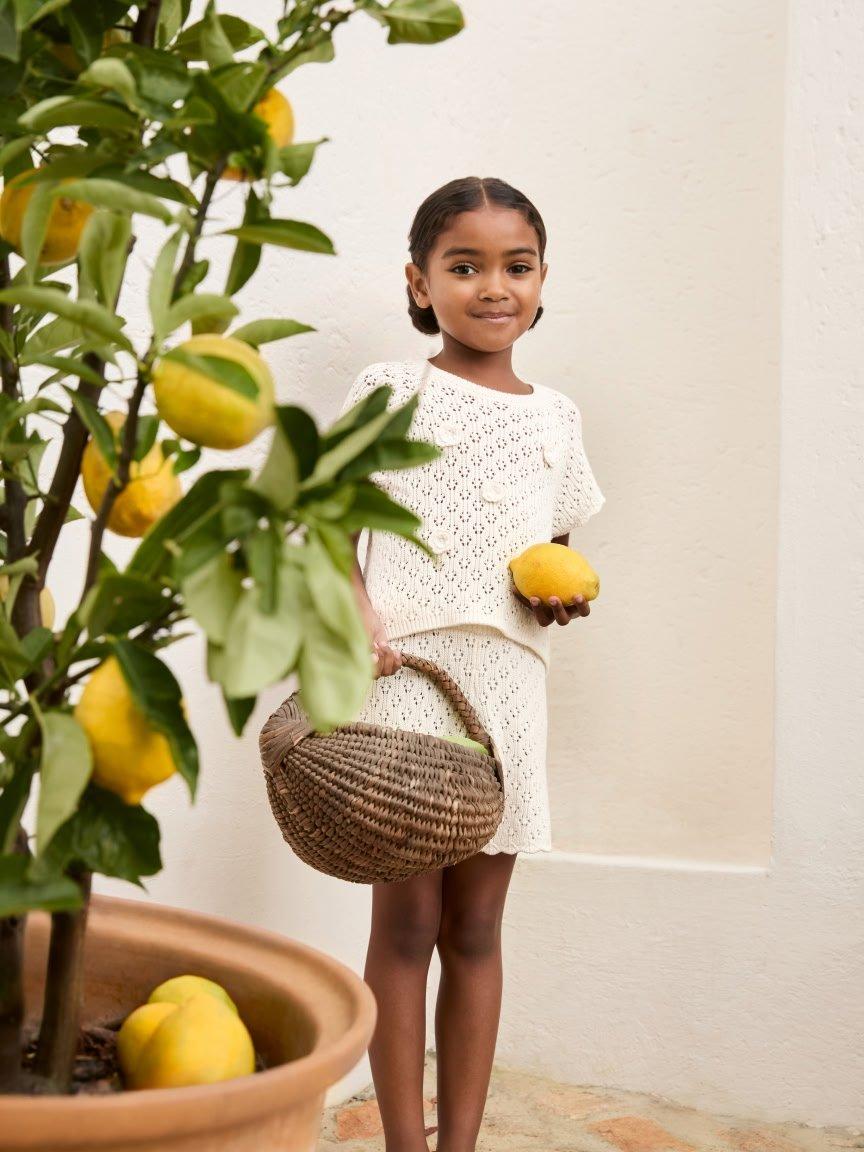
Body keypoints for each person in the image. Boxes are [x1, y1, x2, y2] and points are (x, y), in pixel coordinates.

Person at [335, 175, 606, 1152]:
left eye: (516, 266)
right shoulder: (391, 392)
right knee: (406, 923)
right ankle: (406, 1144)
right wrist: (358, 613)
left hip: (507, 693)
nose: (494, 286)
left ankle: (461, 1147)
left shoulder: (557, 418)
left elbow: (553, 548)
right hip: (406, 680)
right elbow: (329, 516)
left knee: (478, 928)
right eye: (465, 266)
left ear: (542, 281)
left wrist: (560, 595)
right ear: (419, 283)